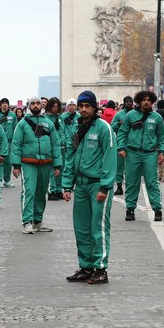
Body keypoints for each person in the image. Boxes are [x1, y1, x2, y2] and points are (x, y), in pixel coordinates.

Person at [62, 90, 116, 285]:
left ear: (94, 108)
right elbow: (70, 158)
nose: (83, 109)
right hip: (81, 186)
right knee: (82, 228)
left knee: (98, 227)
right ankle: (86, 267)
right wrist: (67, 185)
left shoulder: (104, 128)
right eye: (81, 106)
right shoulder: (77, 129)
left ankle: (100, 269)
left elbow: (110, 157)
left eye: (87, 106)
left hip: (97, 186)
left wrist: (105, 186)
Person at [10, 96, 61, 234]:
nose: (36, 105)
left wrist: (57, 165)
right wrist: (16, 165)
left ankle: (38, 221)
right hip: (28, 163)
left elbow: (55, 144)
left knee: (41, 193)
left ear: (42, 106)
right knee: (29, 192)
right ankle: (27, 221)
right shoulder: (22, 124)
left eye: (38, 103)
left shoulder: (48, 123)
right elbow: (16, 144)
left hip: (46, 162)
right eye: (33, 103)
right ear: (29, 105)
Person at [116, 91, 164, 222]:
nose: (146, 102)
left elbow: (162, 136)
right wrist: (121, 147)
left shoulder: (157, 118)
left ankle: (157, 209)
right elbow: (122, 132)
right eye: (143, 100)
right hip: (132, 153)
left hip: (150, 153)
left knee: (152, 181)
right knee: (132, 181)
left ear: (152, 102)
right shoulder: (130, 116)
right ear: (139, 101)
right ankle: (130, 209)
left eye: (149, 100)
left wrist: (162, 152)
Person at [109, 96, 134, 195]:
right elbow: (111, 128)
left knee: (131, 167)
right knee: (119, 166)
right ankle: (119, 186)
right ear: (123, 103)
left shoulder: (136, 114)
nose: (128, 103)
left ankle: (130, 186)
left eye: (130, 101)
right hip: (120, 143)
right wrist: (118, 124)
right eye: (126, 102)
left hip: (133, 144)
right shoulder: (118, 115)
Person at [0, 98, 17, 187]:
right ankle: (0, 179)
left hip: (9, 142)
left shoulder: (12, 115)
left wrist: (15, 141)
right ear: (0, 104)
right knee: (0, 160)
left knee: (8, 162)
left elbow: (15, 128)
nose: (5, 105)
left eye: (6, 103)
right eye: (3, 103)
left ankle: (7, 180)